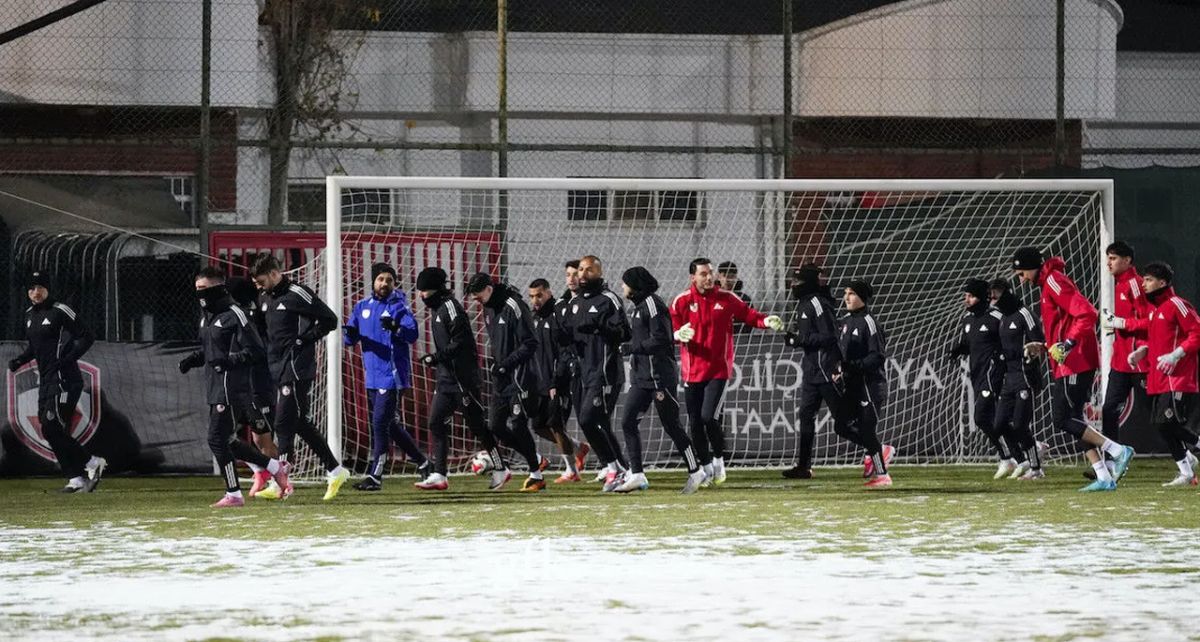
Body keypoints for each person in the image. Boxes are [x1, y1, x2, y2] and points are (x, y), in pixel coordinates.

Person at [1011, 247, 1135, 492]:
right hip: (1068, 360)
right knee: (1075, 420)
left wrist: (1067, 344)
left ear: (1033, 267)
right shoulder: (1049, 283)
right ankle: (1104, 476)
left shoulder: (1054, 281)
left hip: (1075, 361)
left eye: (1022, 273)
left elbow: (1087, 313)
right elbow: (1065, 324)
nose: (1021, 279)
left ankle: (1118, 451)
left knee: (1063, 419)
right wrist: (1045, 346)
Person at [178, 267, 290, 507]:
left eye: (204, 288)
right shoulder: (207, 315)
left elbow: (256, 351)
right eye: (197, 289)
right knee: (226, 440)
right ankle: (273, 467)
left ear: (219, 287)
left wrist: (229, 361)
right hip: (214, 385)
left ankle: (234, 494)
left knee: (216, 439)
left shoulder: (236, 314)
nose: (200, 294)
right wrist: (194, 359)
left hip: (232, 387)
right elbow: (211, 350)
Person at [670, 258, 785, 485]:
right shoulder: (681, 301)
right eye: (703, 274)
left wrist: (766, 321)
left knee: (709, 417)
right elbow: (669, 329)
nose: (709, 277)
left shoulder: (727, 298)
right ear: (693, 277)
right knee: (695, 422)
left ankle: (718, 458)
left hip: (718, 370)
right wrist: (676, 335)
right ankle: (705, 467)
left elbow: (749, 315)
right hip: (692, 371)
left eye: (710, 273)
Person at [251, 254, 350, 501]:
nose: (259, 286)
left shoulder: (298, 293)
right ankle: (335, 470)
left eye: (262, 281)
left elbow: (330, 320)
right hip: (277, 367)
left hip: (297, 367)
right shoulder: (264, 297)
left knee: (283, 422)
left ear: (274, 274)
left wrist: (303, 340)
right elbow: (264, 329)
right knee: (299, 423)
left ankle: (280, 482)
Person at [414, 267, 511, 491]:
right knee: (435, 422)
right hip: (445, 379)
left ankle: (501, 468)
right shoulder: (437, 309)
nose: (421, 295)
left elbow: (462, 342)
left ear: (435, 289)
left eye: (424, 290)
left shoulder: (451, 308)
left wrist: (435, 357)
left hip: (463, 380)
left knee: (477, 426)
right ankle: (439, 474)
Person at [8, 271, 106, 493]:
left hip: (65, 379)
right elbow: (35, 347)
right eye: (31, 288)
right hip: (46, 380)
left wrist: (67, 360)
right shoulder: (29, 315)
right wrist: (20, 360)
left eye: (40, 287)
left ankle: (92, 462)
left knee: (52, 427)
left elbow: (87, 336)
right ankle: (76, 478)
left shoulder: (60, 310)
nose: (35, 292)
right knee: (50, 430)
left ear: (47, 288)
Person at [342, 263, 431, 491]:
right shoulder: (362, 306)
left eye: (389, 280)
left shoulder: (399, 307)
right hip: (371, 376)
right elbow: (350, 340)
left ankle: (376, 475)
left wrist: (395, 328)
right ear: (373, 281)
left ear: (394, 283)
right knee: (389, 425)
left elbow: (412, 335)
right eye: (381, 279)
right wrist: (349, 334)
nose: (384, 284)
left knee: (379, 423)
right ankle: (423, 462)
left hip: (392, 377)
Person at [616, 267, 705, 494]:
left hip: (659, 377)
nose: (622, 286)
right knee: (627, 421)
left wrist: (632, 348)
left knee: (671, 425)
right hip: (641, 378)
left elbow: (662, 339)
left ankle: (696, 471)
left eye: (625, 282)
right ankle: (637, 474)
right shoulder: (638, 307)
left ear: (635, 284)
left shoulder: (653, 304)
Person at [1117, 262, 1200, 486]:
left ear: (1162, 283)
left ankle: (1194, 452)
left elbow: (1197, 333)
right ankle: (1186, 472)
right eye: (1144, 279)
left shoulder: (1177, 304)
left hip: (1177, 377)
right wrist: (1143, 351)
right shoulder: (1155, 310)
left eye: (1148, 280)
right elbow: (1160, 341)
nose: (1143, 284)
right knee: (1162, 425)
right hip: (1159, 379)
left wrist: (1176, 355)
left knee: (1167, 424)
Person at [465, 272, 549, 493]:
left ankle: (536, 475)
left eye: (477, 294)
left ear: (489, 288)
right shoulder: (488, 308)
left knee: (519, 425)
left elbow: (530, 342)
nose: (475, 299)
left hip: (520, 376)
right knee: (495, 426)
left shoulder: (514, 305)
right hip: (501, 377)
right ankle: (536, 459)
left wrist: (506, 364)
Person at [948, 278, 1024, 479]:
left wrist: (1005, 361)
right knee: (995, 419)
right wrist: (958, 350)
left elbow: (1011, 339)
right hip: (978, 375)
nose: (966, 300)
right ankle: (1020, 453)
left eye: (971, 296)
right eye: (965, 296)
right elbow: (970, 343)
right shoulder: (967, 319)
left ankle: (1013, 457)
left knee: (982, 417)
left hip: (996, 375)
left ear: (982, 297)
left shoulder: (997, 317)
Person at [568, 255, 631, 492]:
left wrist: (599, 327)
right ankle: (620, 469)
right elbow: (570, 337)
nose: (583, 274)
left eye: (589, 270)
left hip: (606, 373)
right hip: (584, 372)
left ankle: (615, 468)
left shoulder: (609, 299)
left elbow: (625, 333)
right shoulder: (575, 303)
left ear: (599, 273)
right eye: (581, 269)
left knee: (589, 419)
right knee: (597, 422)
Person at [1094, 241, 1151, 480]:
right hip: (1121, 361)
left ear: (1127, 261)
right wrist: (1115, 327)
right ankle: (1111, 462)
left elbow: (1150, 320)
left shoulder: (1135, 284)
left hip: (1140, 361)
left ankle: (1187, 454)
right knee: (1108, 409)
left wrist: (1121, 323)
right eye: (1108, 258)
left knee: (1158, 414)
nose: (1108, 263)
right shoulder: (1118, 285)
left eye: (1114, 258)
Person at [781, 263, 841, 480]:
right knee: (806, 415)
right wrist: (796, 340)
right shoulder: (804, 304)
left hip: (826, 369)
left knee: (843, 421)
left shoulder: (817, 303)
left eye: (797, 281)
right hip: (812, 370)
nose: (793, 285)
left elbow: (830, 335)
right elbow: (809, 337)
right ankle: (804, 466)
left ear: (807, 283)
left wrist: (801, 339)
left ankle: (877, 450)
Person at [834, 281, 895, 489]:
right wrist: (839, 369)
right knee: (841, 426)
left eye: (851, 293)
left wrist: (852, 366)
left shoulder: (870, 323)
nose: (846, 297)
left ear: (862, 297)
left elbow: (877, 357)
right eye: (845, 293)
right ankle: (881, 449)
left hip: (870, 386)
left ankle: (882, 475)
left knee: (867, 430)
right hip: (852, 385)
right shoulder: (845, 322)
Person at [527, 278, 587, 483]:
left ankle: (571, 470)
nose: (535, 300)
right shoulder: (534, 318)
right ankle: (578, 447)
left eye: (539, 295)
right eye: (532, 296)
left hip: (559, 381)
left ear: (549, 293)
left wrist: (556, 380)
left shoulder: (558, 314)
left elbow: (565, 351)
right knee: (538, 425)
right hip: (540, 382)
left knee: (556, 424)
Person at [226, 276, 280, 498]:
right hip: (240, 386)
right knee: (224, 435)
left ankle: (279, 482)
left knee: (262, 438)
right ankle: (260, 470)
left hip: (258, 384)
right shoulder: (235, 315)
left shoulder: (249, 318)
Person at [989, 278, 1048, 480]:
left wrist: (1032, 351)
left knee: (1020, 425)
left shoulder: (1024, 314)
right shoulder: (1002, 318)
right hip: (1009, 378)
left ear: (1007, 292)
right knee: (998, 425)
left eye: (997, 292)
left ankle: (1036, 469)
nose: (993, 296)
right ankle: (1030, 451)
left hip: (1026, 377)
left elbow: (1040, 343)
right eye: (991, 293)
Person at [555, 260, 591, 476]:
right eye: (568, 274)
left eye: (575, 274)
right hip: (562, 370)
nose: (571, 278)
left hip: (584, 369)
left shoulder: (591, 301)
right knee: (553, 421)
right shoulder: (560, 304)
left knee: (587, 418)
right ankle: (573, 464)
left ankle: (611, 466)